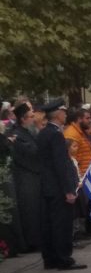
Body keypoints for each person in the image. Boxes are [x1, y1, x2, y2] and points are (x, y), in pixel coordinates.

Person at [37, 100, 86, 271]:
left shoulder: (43, 133)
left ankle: (49, 258)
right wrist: (68, 190)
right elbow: (60, 164)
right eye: (64, 112)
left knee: (49, 224)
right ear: (58, 114)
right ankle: (63, 258)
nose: (65, 115)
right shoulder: (56, 135)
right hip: (58, 187)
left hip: (47, 186)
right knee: (61, 224)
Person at [9, 102, 41, 253]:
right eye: (30, 117)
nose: (33, 119)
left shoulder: (28, 132)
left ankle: (37, 240)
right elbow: (31, 153)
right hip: (25, 178)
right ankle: (31, 242)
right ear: (23, 119)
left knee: (35, 210)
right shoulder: (17, 134)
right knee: (29, 210)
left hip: (33, 176)